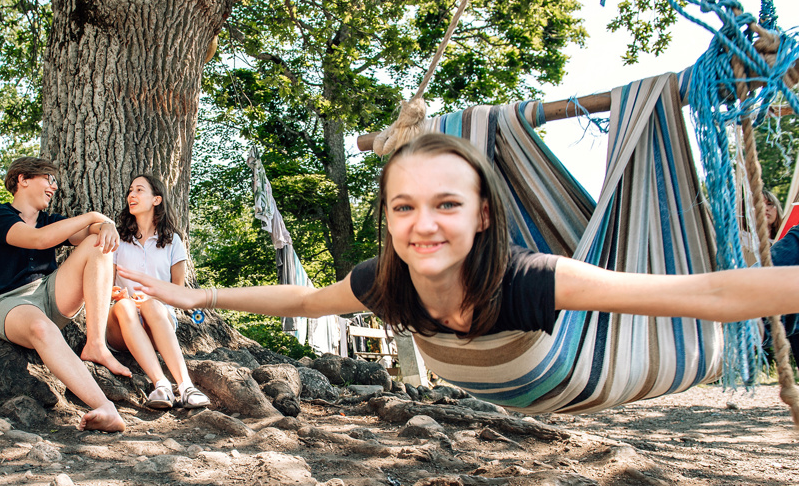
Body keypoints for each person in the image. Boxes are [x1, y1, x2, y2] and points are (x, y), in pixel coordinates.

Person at [118, 133, 799, 368]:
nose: (424, 225)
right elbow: (301, 296)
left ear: (483, 215)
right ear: (386, 220)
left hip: (546, 370)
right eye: (404, 207)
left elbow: (699, 297)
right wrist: (198, 295)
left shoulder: (532, 279)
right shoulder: (384, 281)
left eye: (447, 204)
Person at [0, 157, 130, 433]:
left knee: (97, 244)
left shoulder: (52, 220)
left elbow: (89, 233)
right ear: (23, 179)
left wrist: (105, 226)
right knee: (41, 328)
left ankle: (96, 344)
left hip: (49, 293)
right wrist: (96, 216)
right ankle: (105, 407)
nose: (54, 187)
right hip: (7, 303)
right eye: (49, 179)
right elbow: (39, 239)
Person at [107, 175, 210, 410]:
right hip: (121, 326)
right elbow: (105, 286)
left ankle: (185, 387)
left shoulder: (173, 242)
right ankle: (161, 384)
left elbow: (179, 294)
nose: (131, 195)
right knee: (125, 307)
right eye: (130, 190)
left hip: (157, 322)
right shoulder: (118, 240)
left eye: (139, 190)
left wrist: (155, 298)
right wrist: (118, 295)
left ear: (156, 199)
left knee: (153, 306)